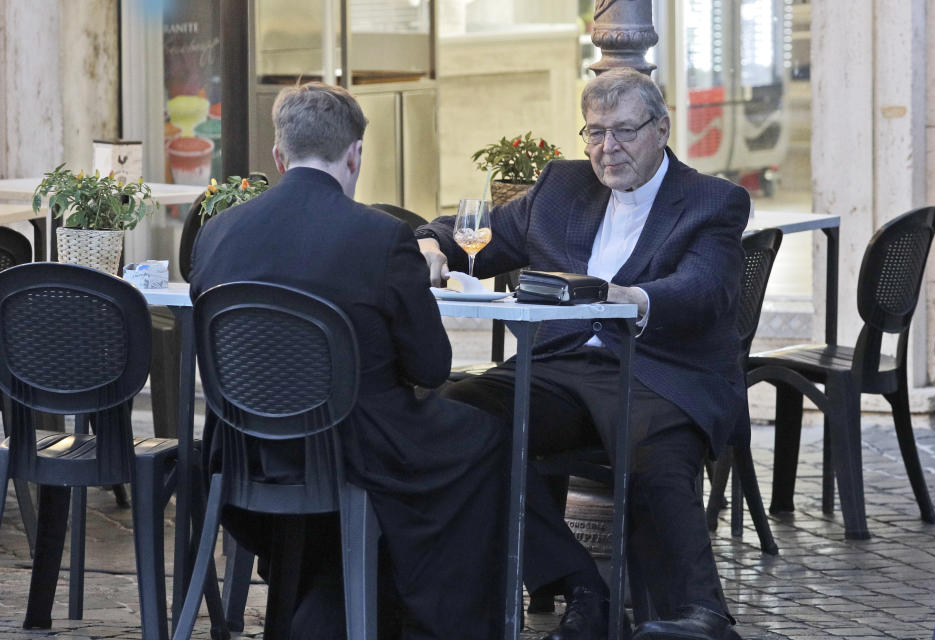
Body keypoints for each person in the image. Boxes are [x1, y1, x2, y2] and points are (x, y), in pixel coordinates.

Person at [416, 67, 750, 640]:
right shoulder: (560, 188)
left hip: (658, 367)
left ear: (662, 128)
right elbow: (473, 234)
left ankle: (693, 615)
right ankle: (581, 586)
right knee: (453, 419)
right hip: (561, 365)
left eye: (622, 131)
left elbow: (705, 288)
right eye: (594, 133)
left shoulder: (710, 201)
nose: (606, 148)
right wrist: (429, 242)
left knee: (653, 447)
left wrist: (631, 297)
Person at [189, 81, 507, 640]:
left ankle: (333, 605)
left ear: (278, 155)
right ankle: (437, 622)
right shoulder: (382, 237)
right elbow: (431, 369)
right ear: (356, 153)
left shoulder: (217, 232)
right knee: (485, 438)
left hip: (244, 451)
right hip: (357, 450)